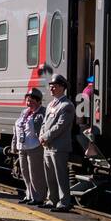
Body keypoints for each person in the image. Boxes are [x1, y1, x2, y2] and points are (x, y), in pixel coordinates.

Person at [39, 73, 75, 212]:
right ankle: (52, 199)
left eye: (54, 86)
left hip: (59, 146)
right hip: (47, 145)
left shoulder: (67, 105)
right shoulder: (50, 105)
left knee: (60, 175)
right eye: (50, 86)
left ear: (62, 87)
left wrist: (45, 137)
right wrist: (42, 135)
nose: (51, 89)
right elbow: (44, 123)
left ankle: (64, 202)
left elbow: (60, 126)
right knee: (50, 176)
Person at [11, 88, 47, 206]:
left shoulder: (42, 112)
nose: (28, 102)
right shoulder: (24, 112)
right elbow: (17, 128)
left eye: (31, 100)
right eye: (27, 100)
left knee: (35, 173)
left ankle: (38, 197)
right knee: (25, 173)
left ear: (38, 100)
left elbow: (44, 128)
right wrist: (14, 144)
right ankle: (29, 195)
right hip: (22, 147)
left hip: (35, 147)